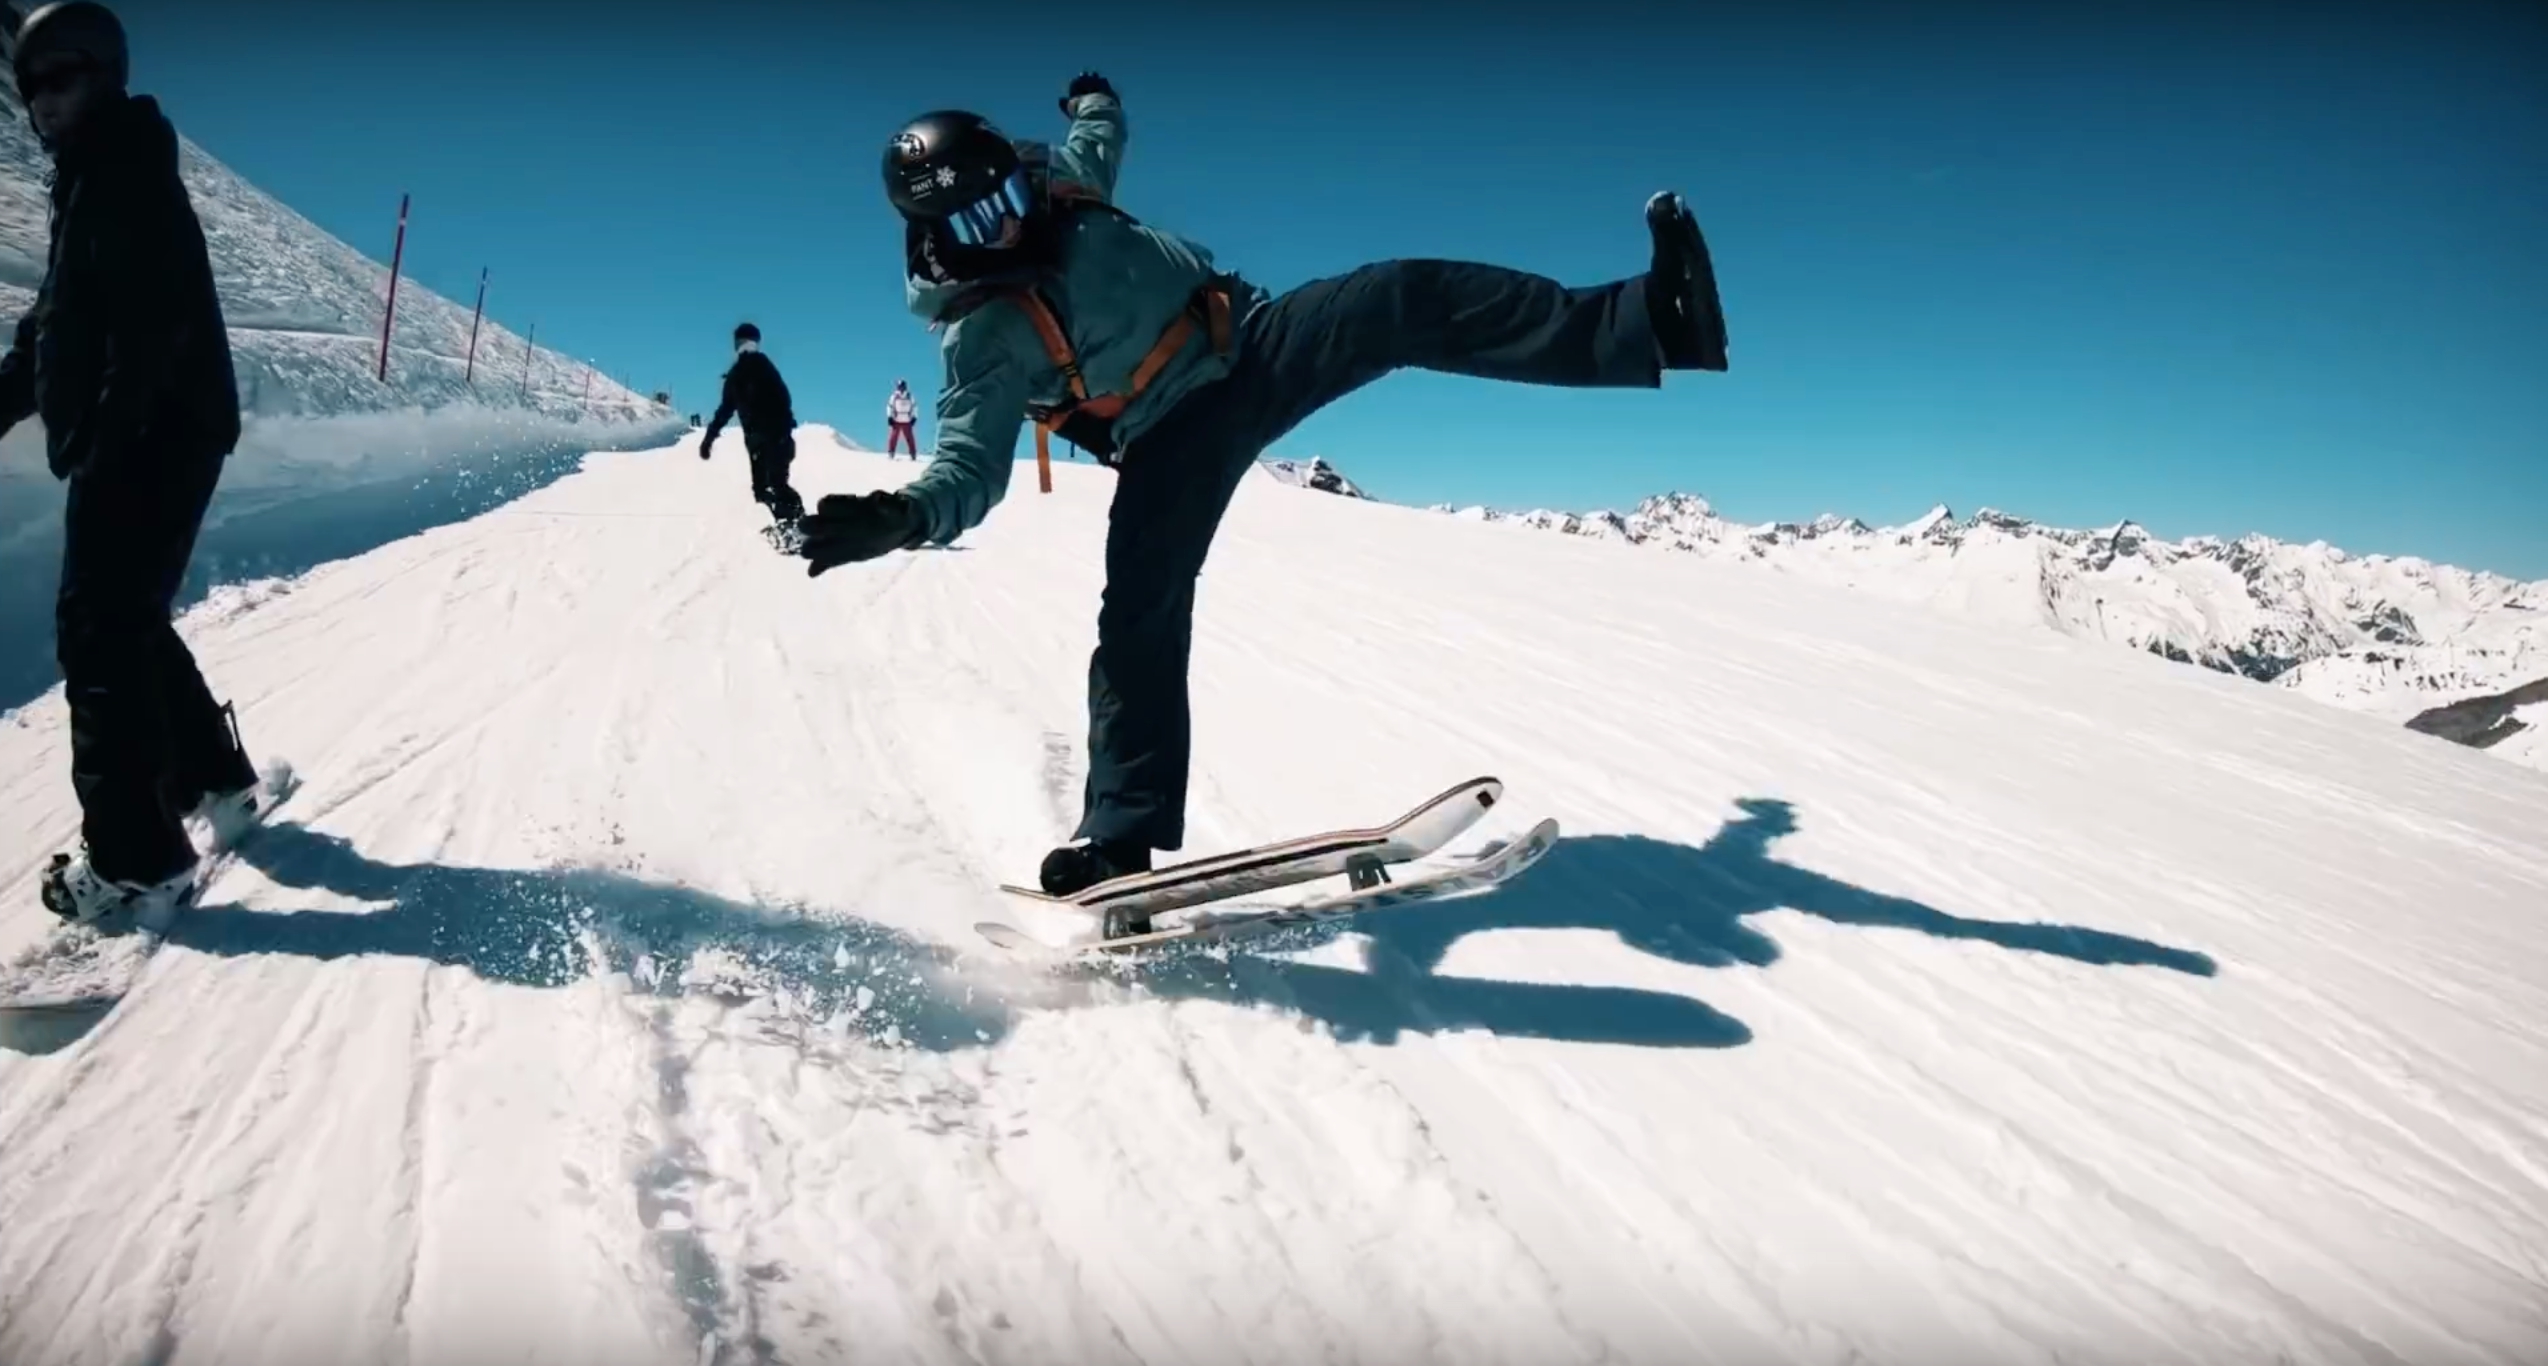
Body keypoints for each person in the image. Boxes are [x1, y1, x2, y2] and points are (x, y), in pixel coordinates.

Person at [795, 72, 1728, 931]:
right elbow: (967, 459)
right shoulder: (983, 331)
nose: (997, 229)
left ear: (1014, 175)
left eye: (1001, 201)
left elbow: (1097, 141)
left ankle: (1651, 320)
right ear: (932, 235)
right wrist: (911, 515)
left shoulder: (1056, 187)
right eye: (968, 225)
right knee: (1139, 618)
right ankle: (1119, 840)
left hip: (1253, 342)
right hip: (1167, 439)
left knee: (1395, 296)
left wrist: (1093, 99)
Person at [0, 1, 272, 925]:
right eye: (30, 84)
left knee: (98, 628)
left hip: (152, 431)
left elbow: (154, 320)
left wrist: (112, 438)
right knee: (127, 617)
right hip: (154, 430)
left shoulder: (123, 168)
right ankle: (219, 783)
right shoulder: (90, 177)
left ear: (103, 74)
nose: (42, 99)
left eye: (61, 77)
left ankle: (137, 861)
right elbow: (54, 328)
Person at [700, 321, 803, 523]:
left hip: (766, 439)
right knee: (771, 487)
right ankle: (791, 524)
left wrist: (709, 439)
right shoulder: (755, 368)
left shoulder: (741, 371)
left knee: (770, 487)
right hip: (769, 439)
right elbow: (784, 397)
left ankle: (795, 526)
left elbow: (725, 411)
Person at [884, 378, 919, 457]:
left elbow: (915, 407)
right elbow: (889, 406)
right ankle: (891, 452)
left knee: (910, 438)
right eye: (900, 387)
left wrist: (915, 417)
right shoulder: (894, 396)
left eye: (903, 386)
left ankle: (913, 453)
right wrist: (889, 416)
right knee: (893, 437)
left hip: (907, 420)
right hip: (896, 420)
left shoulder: (910, 396)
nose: (901, 388)